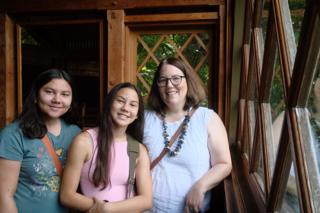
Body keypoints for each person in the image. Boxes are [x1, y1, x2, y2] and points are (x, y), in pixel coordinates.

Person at [144, 58, 232, 213]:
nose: (169, 85)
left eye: (176, 78)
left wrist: (200, 186)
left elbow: (224, 164)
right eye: (163, 80)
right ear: (157, 85)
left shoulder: (207, 118)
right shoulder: (145, 119)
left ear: (188, 80)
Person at [60, 82, 152, 212]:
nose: (125, 108)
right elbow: (66, 196)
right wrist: (101, 209)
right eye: (120, 101)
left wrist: (108, 208)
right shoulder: (84, 142)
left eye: (132, 105)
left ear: (137, 114)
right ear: (109, 105)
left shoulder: (139, 150)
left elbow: (146, 200)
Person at [0, 69, 81, 213]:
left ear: (71, 100)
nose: (57, 99)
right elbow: (4, 196)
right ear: (36, 96)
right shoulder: (14, 134)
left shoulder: (76, 134)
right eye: (49, 92)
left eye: (65, 94)